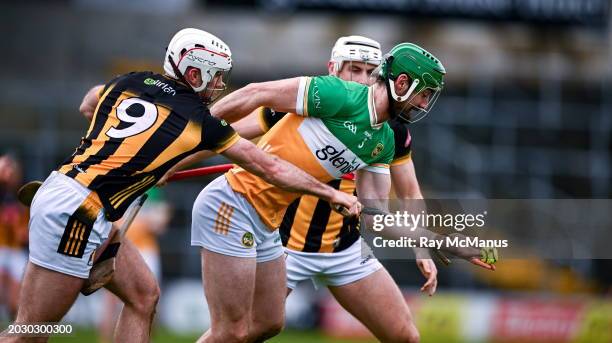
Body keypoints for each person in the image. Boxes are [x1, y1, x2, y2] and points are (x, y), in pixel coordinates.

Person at [3, 28, 357, 343]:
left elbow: (90, 101)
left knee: (143, 297)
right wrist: (328, 191)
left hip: (73, 195)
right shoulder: (201, 122)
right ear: (194, 72)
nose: (220, 85)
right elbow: (269, 166)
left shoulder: (129, 81)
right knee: (32, 332)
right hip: (79, 212)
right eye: (216, 76)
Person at [226, 35, 437, 343]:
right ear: (333, 69)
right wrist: (175, 159)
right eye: (354, 69)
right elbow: (224, 135)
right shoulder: (307, 101)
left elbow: (409, 193)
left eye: (370, 72)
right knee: (246, 331)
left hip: (345, 248)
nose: (364, 80)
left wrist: (421, 245)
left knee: (406, 337)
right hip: (284, 244)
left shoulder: (391, 131)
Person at [98, 187, 170, 343]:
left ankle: (147, 337)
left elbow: (160, 223)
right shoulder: (118, 185)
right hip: (119, 247)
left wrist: (144, 222)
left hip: (146, 250)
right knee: (111, 300)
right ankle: (104, 339)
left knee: (151, 298)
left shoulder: (152, 190)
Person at [0, 155, 28, 320]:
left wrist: (20, 231)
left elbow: (26, 234)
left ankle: (15, 332)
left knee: (13, 303)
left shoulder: (23, 197)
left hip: (16, 251)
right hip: (2, 249)